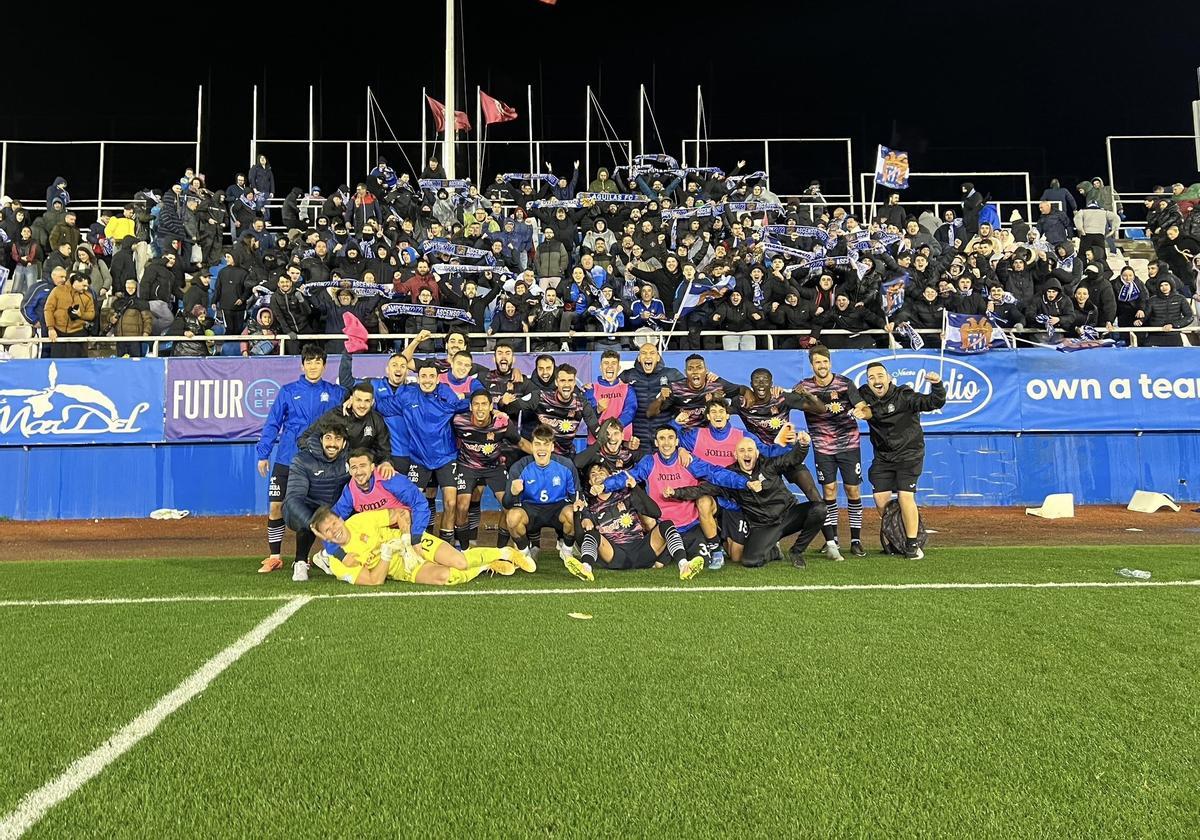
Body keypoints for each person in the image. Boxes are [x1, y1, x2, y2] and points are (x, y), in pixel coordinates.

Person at [671, 429, 826, 568]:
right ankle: (773, 551)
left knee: (819, 509)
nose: (746, 454)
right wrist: (676, 493)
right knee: (750, 561)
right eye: (742, 450)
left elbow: (792, 459)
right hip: (762, 525)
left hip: (788, 515)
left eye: (750, 450)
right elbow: (702, 489)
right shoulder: (730, 477)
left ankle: (797, 551)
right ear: (735, 455)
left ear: (757, 453)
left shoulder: (769, 465)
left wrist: (803, 445)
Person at [255, 345, 348, 573]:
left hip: (317, 462)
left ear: (324, 366)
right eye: (309, 361)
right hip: (287, 458)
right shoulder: (288, 391)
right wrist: (263, 454)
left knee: (310, 508)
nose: (313, 366)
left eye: (318, 362)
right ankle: (275, 556)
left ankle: (305, 557)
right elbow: (273, 423)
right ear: (302, 365)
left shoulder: (336, 392)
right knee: (276, 506)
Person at [601, 424, 750, 565]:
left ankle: (717, 545)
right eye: (662, 438)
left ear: (677, 441)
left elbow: (716, 473)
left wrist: (745, 482)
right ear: (656, 442)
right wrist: (604, 485)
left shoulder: (687, 461)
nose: (667, 443)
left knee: (703, 562)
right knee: (656, 564)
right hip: (664, 527)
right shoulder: (649, 462)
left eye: (671, 438)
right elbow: (626, 477)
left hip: (691, 525)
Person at [373, 358, 481, 546]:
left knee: (451, 503)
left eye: (431, 376)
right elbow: (380, 406)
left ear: (438, 379)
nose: (427, 380)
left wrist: (494, 410)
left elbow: (472, 404)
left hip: (446, 457)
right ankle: (415, 543)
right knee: (412, 503)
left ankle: (447, 545)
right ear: (418, 378)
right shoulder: (407, 395)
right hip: (419, 459)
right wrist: (353, 400)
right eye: (423, 376)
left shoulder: (446, 394)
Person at [857, 362, 946, 559]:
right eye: (871, 377)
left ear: (889, 379)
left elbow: (934, 402)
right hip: (883, 457)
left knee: (906, 497)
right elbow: (847, 397)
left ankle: (912, 544)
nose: (876, 380)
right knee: (881, 501)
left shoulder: (905, 396)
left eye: (880, 376)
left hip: (909, 455)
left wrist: (937, 384)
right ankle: (899, 535)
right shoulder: (864, 394)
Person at [309, 507, 520, 587]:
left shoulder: (360, 520)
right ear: (324, 537)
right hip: (404, 568)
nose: (334, 530)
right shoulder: (339, 563)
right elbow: (374, 581)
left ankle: (505, 552)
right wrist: (386, 553)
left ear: (341, 519)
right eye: (327, 530)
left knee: (460, 561)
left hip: (412, 545)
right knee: (446, 577)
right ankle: (486, 566)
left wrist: (406, 541)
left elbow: (401, 513)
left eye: (334, 523)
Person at [792, 346, 870, 559]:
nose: (822, 366)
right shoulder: (803, 386)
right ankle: (832, 540)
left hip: (849, 445)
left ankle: (856, 540)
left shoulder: (845, 384)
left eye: (825, 362)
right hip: (822, 447)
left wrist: (861, 412)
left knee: (853, 491)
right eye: (817, 362)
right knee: (829, 491)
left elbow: (864, 407)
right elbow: (787, 404)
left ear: (830, 363)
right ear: (812, 365)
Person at [576, 462, 705, 581]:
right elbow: (582, 540)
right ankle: (586, 568)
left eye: (601, 472)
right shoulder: (589, 505)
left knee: (666, 524)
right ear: (589, 481)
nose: (597, 476)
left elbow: (656, 513)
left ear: (610, 476)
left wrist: (635, 488)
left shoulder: (626, 494)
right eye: (593, 474)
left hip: (641, 550)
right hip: (616, 554)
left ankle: (684, 565)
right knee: (592, 534)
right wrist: (577, 514)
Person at [503, 425, 588, 578]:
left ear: (552, 446)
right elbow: (507, 504)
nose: (541, 449)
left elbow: (577, 495)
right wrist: (513, 492)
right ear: (532, 446)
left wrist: (579, 503)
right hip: (530, 510)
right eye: (537, 444)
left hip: (557, 509)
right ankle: (525, 555)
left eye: (546, 444)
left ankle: (567, 552)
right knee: (512, 517)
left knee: (572, 513)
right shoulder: (519, 467)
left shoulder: (566, 465)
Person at [452, 390, 529, 550]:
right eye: (476, 404)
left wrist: (545, 453)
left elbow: (521, 443)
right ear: (470, 407)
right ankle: (465, 550)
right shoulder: (459, 421)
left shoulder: (501, 423)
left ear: (490, 407)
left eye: (484, 404)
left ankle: (501, 549)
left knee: (508, 506)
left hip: (494, 468)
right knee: (462, 505)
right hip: (467, 467)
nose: (480, 408)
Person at [283, 418, 352, 581]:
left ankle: (326, 555)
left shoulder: (349, 459)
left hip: (333, 508)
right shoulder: (302, 460)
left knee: (357, 511)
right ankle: (300, 562)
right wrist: (313, 524)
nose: (332, 444)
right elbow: (293, 499)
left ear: (343, 443)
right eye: (328, 438)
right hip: (304, 509)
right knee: (311, 516)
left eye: (338, 439)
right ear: (321, 440)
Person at [43, 272, 95, 358]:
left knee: (78, 365)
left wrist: (81, 315)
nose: (86, 288)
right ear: (76, 282)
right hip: (58, 332)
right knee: (58, 364)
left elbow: (91, 315)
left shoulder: (88, 296)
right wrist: (51, 328)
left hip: (78, 333)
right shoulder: (57, 290)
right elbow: (48, 309)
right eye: (84, 285)